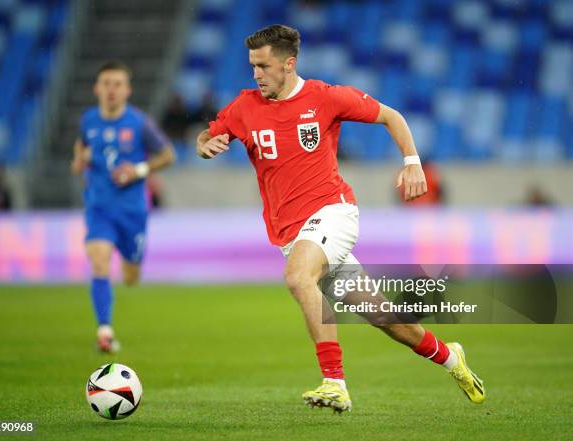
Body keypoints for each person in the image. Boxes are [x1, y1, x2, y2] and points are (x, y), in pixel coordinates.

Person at [196, 25, 485, 412]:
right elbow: (207, 136)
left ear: (289, 63)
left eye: (263, 66)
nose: (256, 74)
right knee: (385, 317)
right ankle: (451, 358)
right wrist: (205, 145)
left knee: (299, 278)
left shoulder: (325, 98)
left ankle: (334, 382)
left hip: (333, 212)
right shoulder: (244, 107)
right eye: (253, 66)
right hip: (291, 232)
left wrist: (412, 162)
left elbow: (391, 116)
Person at [71, 61, 176, 353]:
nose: (111, 90)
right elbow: (81, 146)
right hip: (99, 207)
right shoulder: (88, 120)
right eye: (106, 83)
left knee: (130, 276)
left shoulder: (139, 123)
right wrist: (79, 160)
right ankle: (104, 330)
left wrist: (139, 170)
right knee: (99, 261)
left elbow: (168, 155)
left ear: (127, 90)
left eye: (117, 84)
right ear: (97, 88)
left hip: (132, 211)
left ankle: (130, 268)